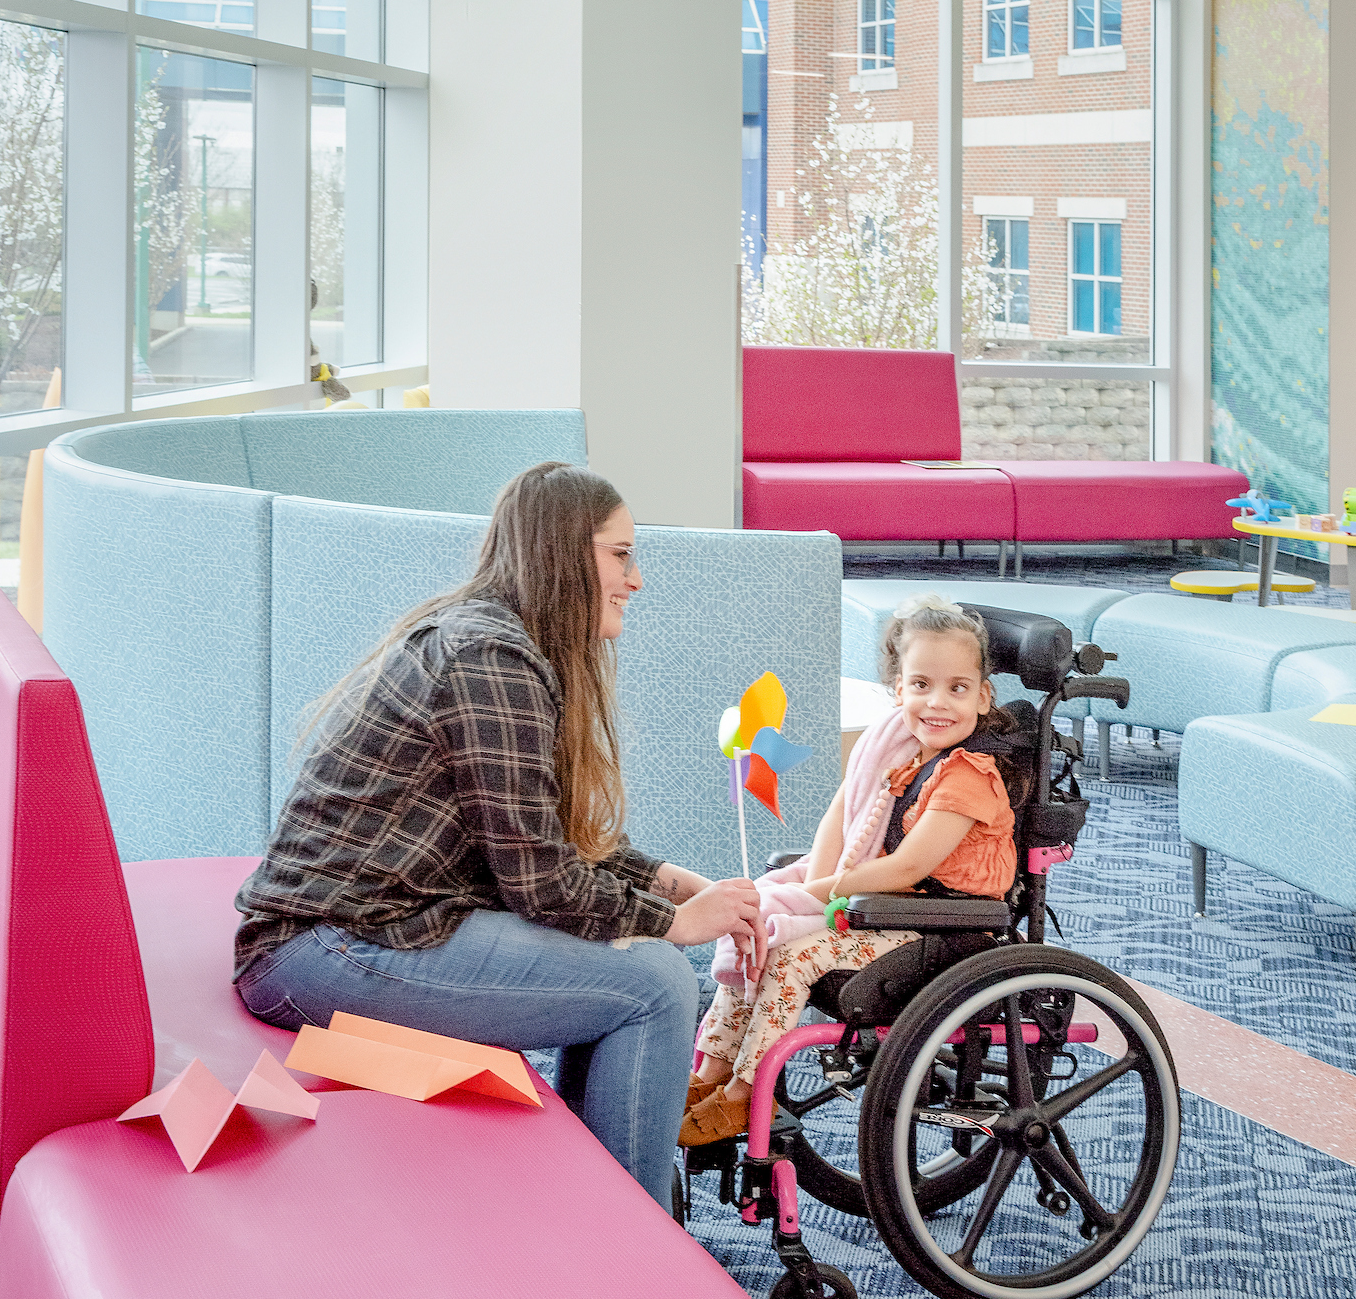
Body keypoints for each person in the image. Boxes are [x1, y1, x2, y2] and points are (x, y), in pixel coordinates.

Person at [233, 461, 766, 1208]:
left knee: (630, 968)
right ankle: (630, 1242)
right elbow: (540, 880)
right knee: (655, 983)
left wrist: (673, 883)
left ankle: (599, 1208)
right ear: (563, 552)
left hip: (352, 931)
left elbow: (535, 836)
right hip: (322, 949)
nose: (635, 578)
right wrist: (677, 923)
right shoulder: (492, 657)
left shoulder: (494, 640)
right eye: (621, 554)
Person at [680, 598, 1031, 1146]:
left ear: (984, 696)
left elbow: (910, 865)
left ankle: (745, 1094)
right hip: (892, 908)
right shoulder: (895, 749)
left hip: (947, 924)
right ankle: (711, 1072)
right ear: (898, 689)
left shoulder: (969, 776)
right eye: (921, 684)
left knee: (794, 954)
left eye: (958, 688)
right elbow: (839, 819)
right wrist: (804, 891)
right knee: (758, 929)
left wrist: (815, 896)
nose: (937, 702)